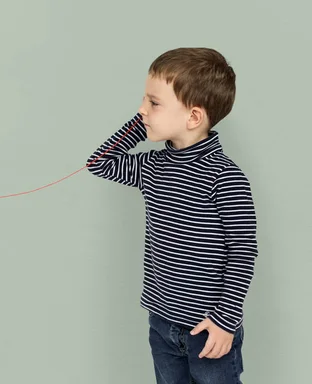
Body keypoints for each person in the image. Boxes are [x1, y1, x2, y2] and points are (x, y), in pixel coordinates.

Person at [86, 48, 258, 383]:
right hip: (162, 322)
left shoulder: (225, 177)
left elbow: (242, 251)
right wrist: (143, 123)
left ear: (193, 117)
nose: (141, 109)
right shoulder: (152, 166)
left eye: (153, 103)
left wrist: (225, 319)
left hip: (209, 328)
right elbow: (99, 163)